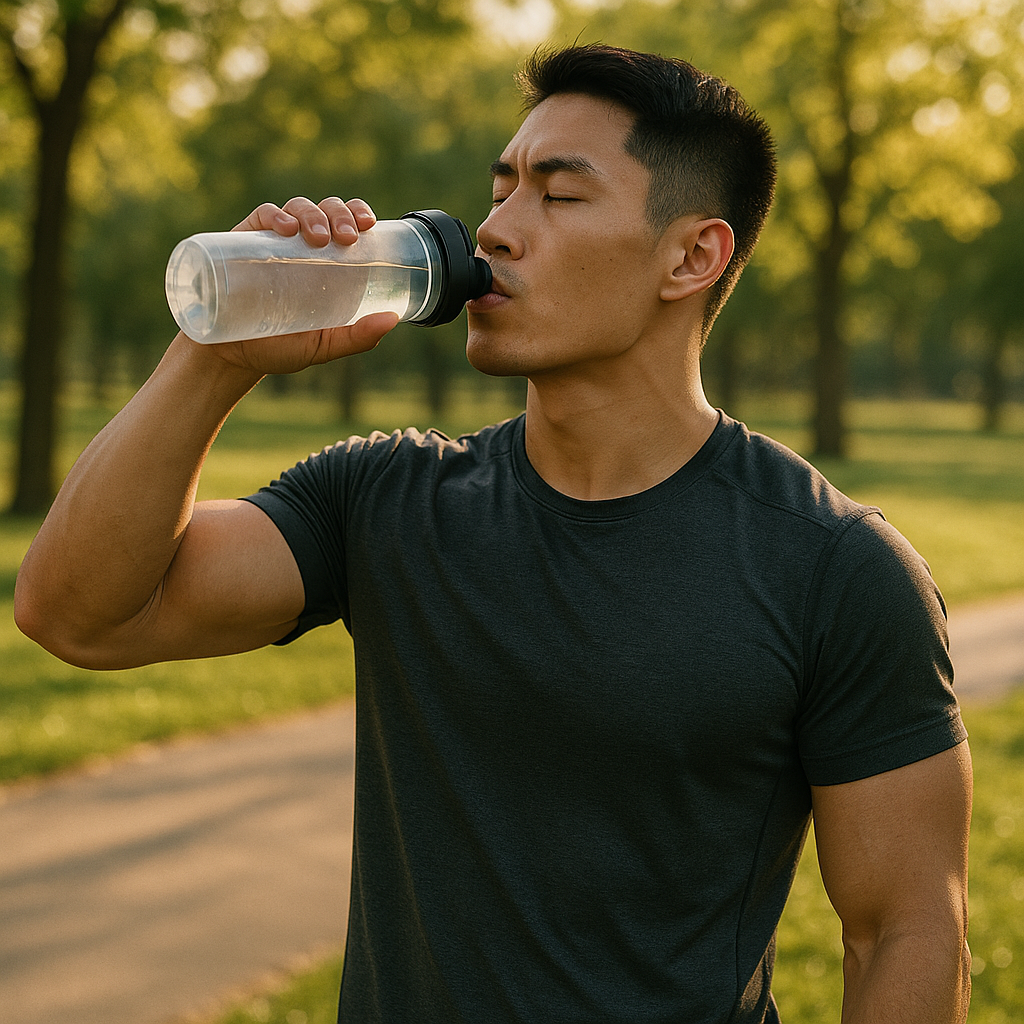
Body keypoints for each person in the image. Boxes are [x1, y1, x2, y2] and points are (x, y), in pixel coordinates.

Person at [16, 43, 971, 1024]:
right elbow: (80, 613)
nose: (498, 230)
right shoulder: (384, 498)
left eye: (558, 197)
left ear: (692, 255)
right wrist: (215, 352)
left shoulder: (832, 568)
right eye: (501, 187)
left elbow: (904, 928)